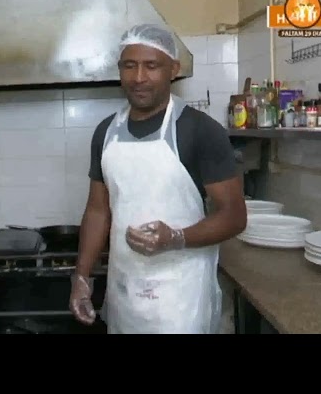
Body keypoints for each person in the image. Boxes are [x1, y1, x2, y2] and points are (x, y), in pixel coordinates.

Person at [69, 24, 247, 334]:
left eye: (151, 66)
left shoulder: (201, 131)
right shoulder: (106, 133)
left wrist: (176, 238)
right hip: (125, 290)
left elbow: (234, 216)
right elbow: (98, 210)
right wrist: (81, 277)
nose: (139, 77)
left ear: (173, 69)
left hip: (180, 297)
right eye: (129, 65)